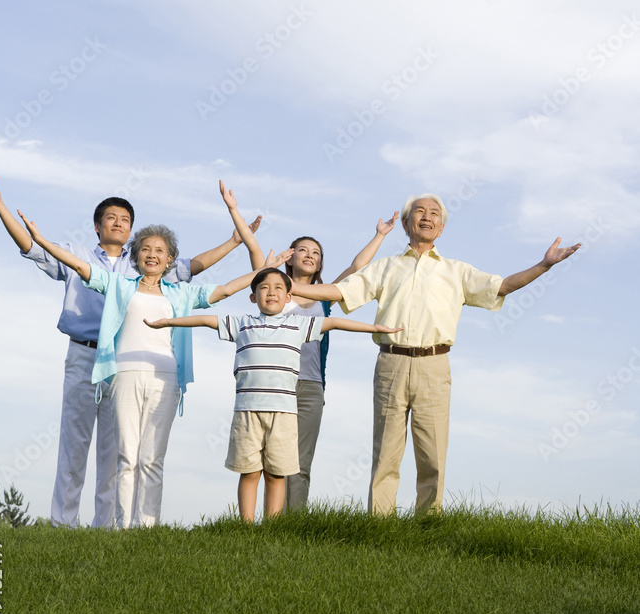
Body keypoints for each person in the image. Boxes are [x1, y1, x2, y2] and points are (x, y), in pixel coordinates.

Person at [0, 165, 259, 527]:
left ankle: (108, 526)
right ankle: (63, 523)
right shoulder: (83, 257)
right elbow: (32, 246)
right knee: (74, 443)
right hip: (84, 352)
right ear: (97, 225)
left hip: (126, 362)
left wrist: (236, 242)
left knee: (118, 450)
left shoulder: (143, 262)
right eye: (110, 217)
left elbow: (195, 272)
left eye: (125, 219)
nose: (117, 223)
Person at [289, 193, 582, 514]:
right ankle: (379, 524)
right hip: (391, 363)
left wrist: (543, 265)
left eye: (434, 214)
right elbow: (338, 290)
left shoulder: (456, 272)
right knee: (386, 451)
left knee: (432, 453)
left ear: (441, 228)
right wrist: (287, 286)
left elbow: (503, 286)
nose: (427, 217)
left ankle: (429, 523)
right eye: (419, 212)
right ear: (405, 223)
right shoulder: (385, 268)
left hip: (435, 365)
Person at [145, 266, 402, 520]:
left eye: (279, 288)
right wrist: (167, 322)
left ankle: (272, 526)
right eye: (264, 288)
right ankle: (245, 527)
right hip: (247, 411)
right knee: (249, 471)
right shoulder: (241, 324)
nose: (271, 292)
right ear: (252, 296)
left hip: (284, 412)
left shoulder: (299, 325)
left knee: (276, 473)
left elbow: (334, 322)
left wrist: (375, 328)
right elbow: (204, 320)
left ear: (288, 297)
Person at [280, 219, 399, 509]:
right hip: (275, 384)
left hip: (310, 386)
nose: (309, 255)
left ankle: (292, 523)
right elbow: (258, 267)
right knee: (272, 459)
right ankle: (268, 521)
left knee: (300, 462)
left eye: (316, 253)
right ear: (290, 256)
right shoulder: (274, 293)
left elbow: (356, 268)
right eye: (303, 250)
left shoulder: (326, 299)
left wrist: (379, 235)